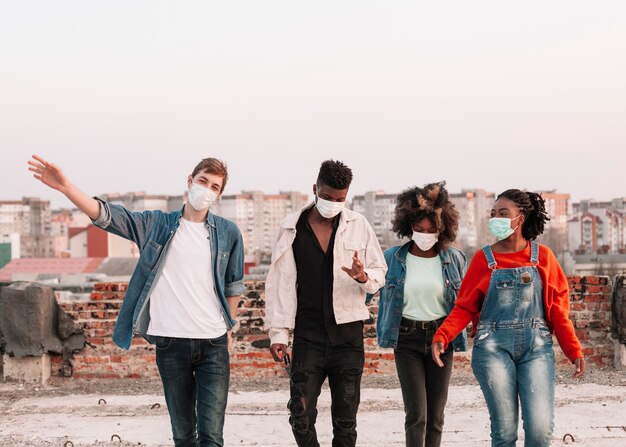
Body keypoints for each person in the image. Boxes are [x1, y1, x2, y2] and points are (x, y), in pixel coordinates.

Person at [28, 154, 245, 447]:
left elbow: (233, 285)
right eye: (203, 181)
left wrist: (228, 329)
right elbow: (110, 217)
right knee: (183, 436)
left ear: (219, 194)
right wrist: (67, 188)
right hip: (171, 342)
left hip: (213, 344)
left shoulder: (228, 233)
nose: (207, 189)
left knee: (211, 436)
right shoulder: (157, 224)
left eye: (215, 186)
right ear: (190, 181)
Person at [432, 189, 586, 447]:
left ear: (521, 218)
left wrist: (573, 349)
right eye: (493, 214)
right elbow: (464, 307)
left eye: (504, 214)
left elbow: (559, 310)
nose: (496, 219)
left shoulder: (544, 257)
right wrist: (443, 336)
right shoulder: (484, 258)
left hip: (536, 349)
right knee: (504, 433)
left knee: (540, 431)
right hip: (492, 348)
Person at [265, 160, 386, 447]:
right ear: (315, 189)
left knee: (345, 422)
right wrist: (278, 333)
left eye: (340, 199)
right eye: (327, 197)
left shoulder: (359, 225)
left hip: (348, 336)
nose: (333, 204)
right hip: (308, 337)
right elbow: (280, 285)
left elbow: (379, 273)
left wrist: (362, 276)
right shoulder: (290, 229)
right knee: (300, 414)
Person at [372, 181, 467, 447]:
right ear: (408, 226)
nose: (425, 235)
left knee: (436, 417)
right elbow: (367, 291)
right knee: (417, 416)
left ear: (442, 229)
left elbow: (466, 303)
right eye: (419, 229)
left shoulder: (455, 259)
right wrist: (361, 278)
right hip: (407, 339)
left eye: (431, 230)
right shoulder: (391, 258)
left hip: (441, 339)